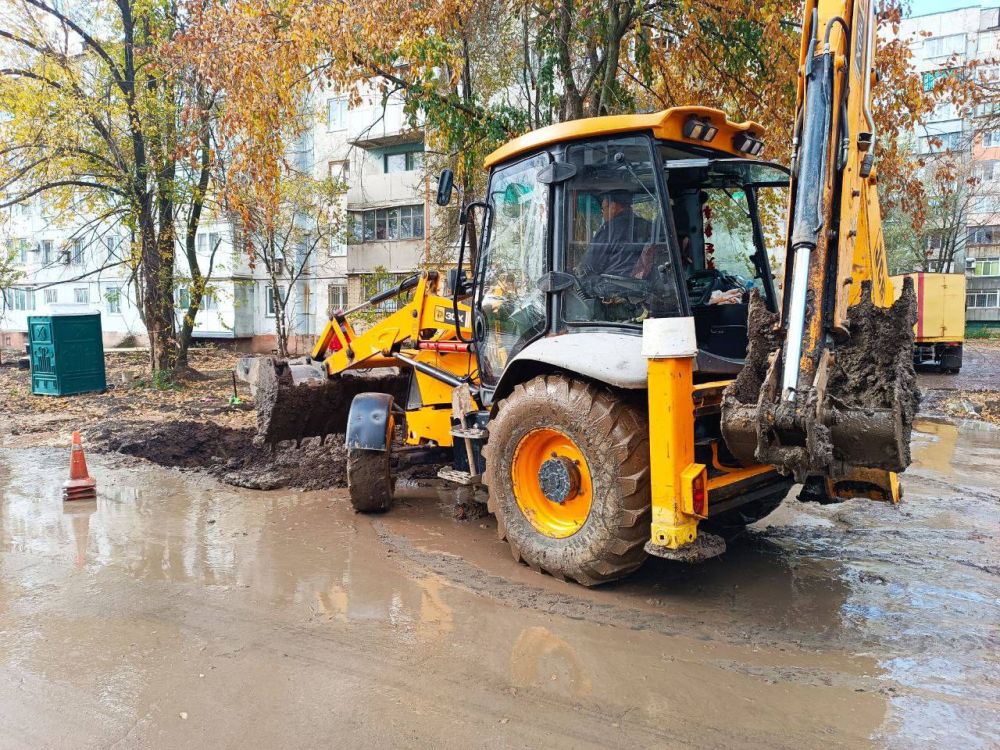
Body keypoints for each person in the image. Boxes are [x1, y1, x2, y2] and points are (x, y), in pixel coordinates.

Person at [578, 189, 651, 278]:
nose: (603, 214)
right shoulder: (647, 226)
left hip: (612, 286)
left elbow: (590, 265)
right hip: (642, 284)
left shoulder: (609, 230)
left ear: (613, 206)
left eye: (603, 209)